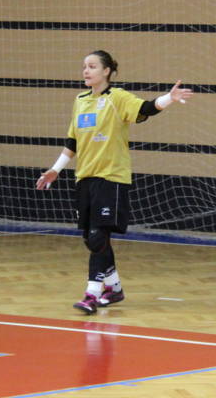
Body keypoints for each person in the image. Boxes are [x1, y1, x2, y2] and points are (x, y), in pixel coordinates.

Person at [36, 50, 193, 315]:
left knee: (99, 235)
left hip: (111, 178)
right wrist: (55, 169)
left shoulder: (117, 98)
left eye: (92, 66)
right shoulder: (80, 100)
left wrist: (169, 98)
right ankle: (115, 287)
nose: (86, 71)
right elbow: (72, 141)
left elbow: (145, 109)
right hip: (85, 177)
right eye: (84, 66)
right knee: (91, 239)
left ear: (106, 71)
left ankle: (92, 294)